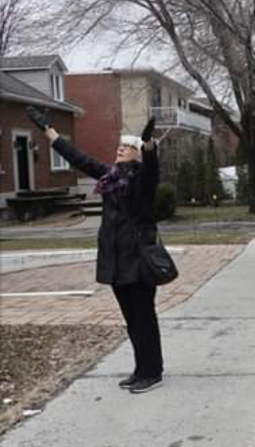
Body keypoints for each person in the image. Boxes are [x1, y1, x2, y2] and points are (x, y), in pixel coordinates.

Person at [25, 107, 166, 394]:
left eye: (129, 147)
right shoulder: (110, 177)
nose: (122, 149)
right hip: (115, 260)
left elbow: (152, 171)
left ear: (137, 155)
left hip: (139, 259)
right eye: (120, 146)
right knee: (131, 319)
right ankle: (141, 368)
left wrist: (149, 145)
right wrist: (49, 131)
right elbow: (78, 158)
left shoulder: (141, 181)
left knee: (144, 317)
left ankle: (153, 371)